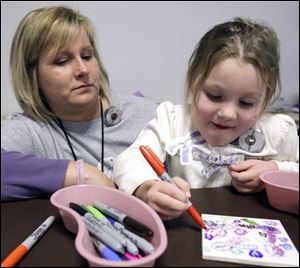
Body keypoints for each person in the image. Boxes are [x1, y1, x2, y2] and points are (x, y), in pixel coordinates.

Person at [113, 18, 299, 220]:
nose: (227, 113)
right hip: (188, 237)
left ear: (265, 99)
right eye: (214, 96)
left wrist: (275, 171)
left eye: (246, 102)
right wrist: (147, 188)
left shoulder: (277, 131)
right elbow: (130, 159)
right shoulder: (172, 121)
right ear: (194, 82)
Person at [1, 6, 157, 201]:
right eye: (62, 61)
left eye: (86, 56)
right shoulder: (32, 130)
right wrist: (79, 174)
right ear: (34, 77)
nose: (82, 69)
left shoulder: (145, 114)